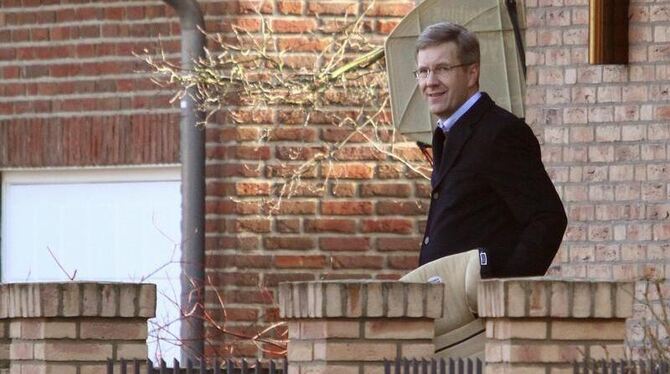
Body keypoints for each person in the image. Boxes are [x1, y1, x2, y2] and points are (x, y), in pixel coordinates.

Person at [415, 22, 567, 278]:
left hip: (480, 310)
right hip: (449, 306)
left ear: (472, 73)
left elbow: (547, 218)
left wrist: (502, 294)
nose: (430, 81)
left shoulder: (500, 133)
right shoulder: (446, 133)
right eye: (423, 71)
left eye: (442, 69)